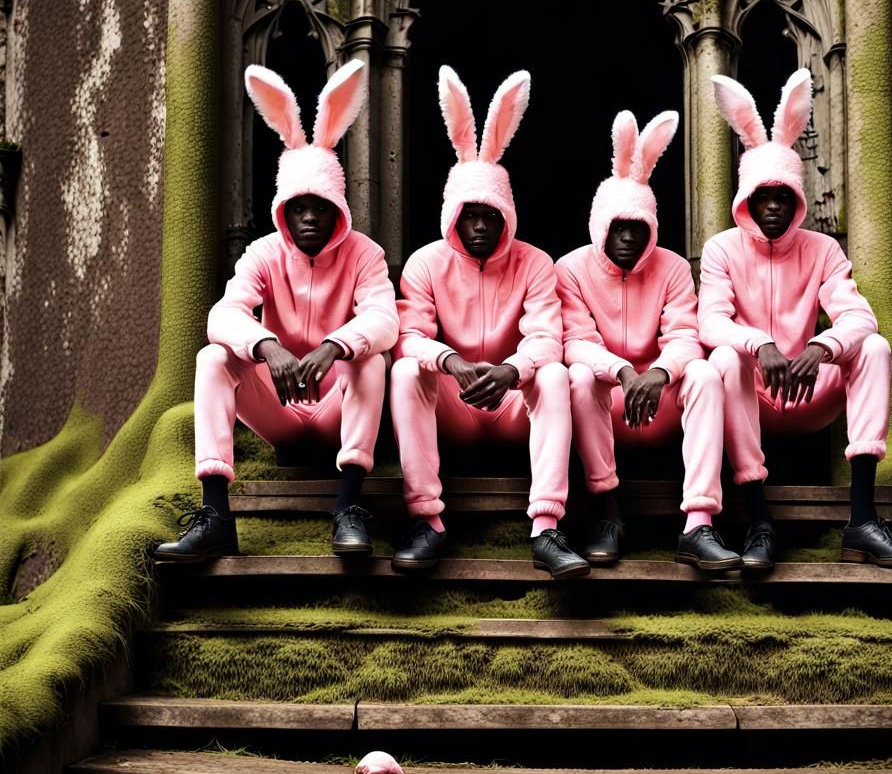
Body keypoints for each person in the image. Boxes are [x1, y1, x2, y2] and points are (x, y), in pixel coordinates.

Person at [155, 61, 398, 562]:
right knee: (213, 358)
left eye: (320, 205)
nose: (309, 215)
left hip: (335, 413)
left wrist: (335, 346)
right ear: (282, 209)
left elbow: (385, 319)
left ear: (338, 207)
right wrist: (269, 347)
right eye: (299, 205)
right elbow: (223, 315)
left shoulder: (365, 254)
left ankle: (348, 508)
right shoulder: (264, 253)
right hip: (281, 414)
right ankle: (217, 515)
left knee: (373, 358)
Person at [699, 68, 892, 569]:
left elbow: (858, 315)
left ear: (797, 200)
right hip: (752, 392)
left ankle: (862, 519)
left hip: (806, 390)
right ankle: (759, 522)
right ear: (746, 200)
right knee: (723, 361)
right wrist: (760, 344)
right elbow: (710, 322)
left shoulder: (822, 249)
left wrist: (821, 348)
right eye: (763, 196)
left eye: (783, 197)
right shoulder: (721, 250)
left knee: (875, 347)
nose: (773, 206)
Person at [389, 65, 588, 579]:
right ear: (452, 214)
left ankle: (546, 528)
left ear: (507, 215)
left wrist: (511, 371)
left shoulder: (536, 263)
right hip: (453, 407)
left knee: (555, 373)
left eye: (490, 215)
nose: (479, 225)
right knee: (406, 371)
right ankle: (426, 521)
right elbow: (408, 336)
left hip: (509, 406)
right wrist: (450, 362)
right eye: (470, 213)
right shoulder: (425, 263)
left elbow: (548, 337)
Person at [556, 110, 738, 570]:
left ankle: (699, 522)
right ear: (601, 226)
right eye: (619, 227)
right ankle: (607, 511)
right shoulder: (570, 268)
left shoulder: (674, 267)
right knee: (576, 375)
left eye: (638, 228)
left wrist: (657, 372)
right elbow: (574, 340)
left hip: (659, 402)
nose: (628, 237)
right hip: (609, 404)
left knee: (703, 372)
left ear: (651, 229)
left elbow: (686, 335)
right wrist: (621, 371)